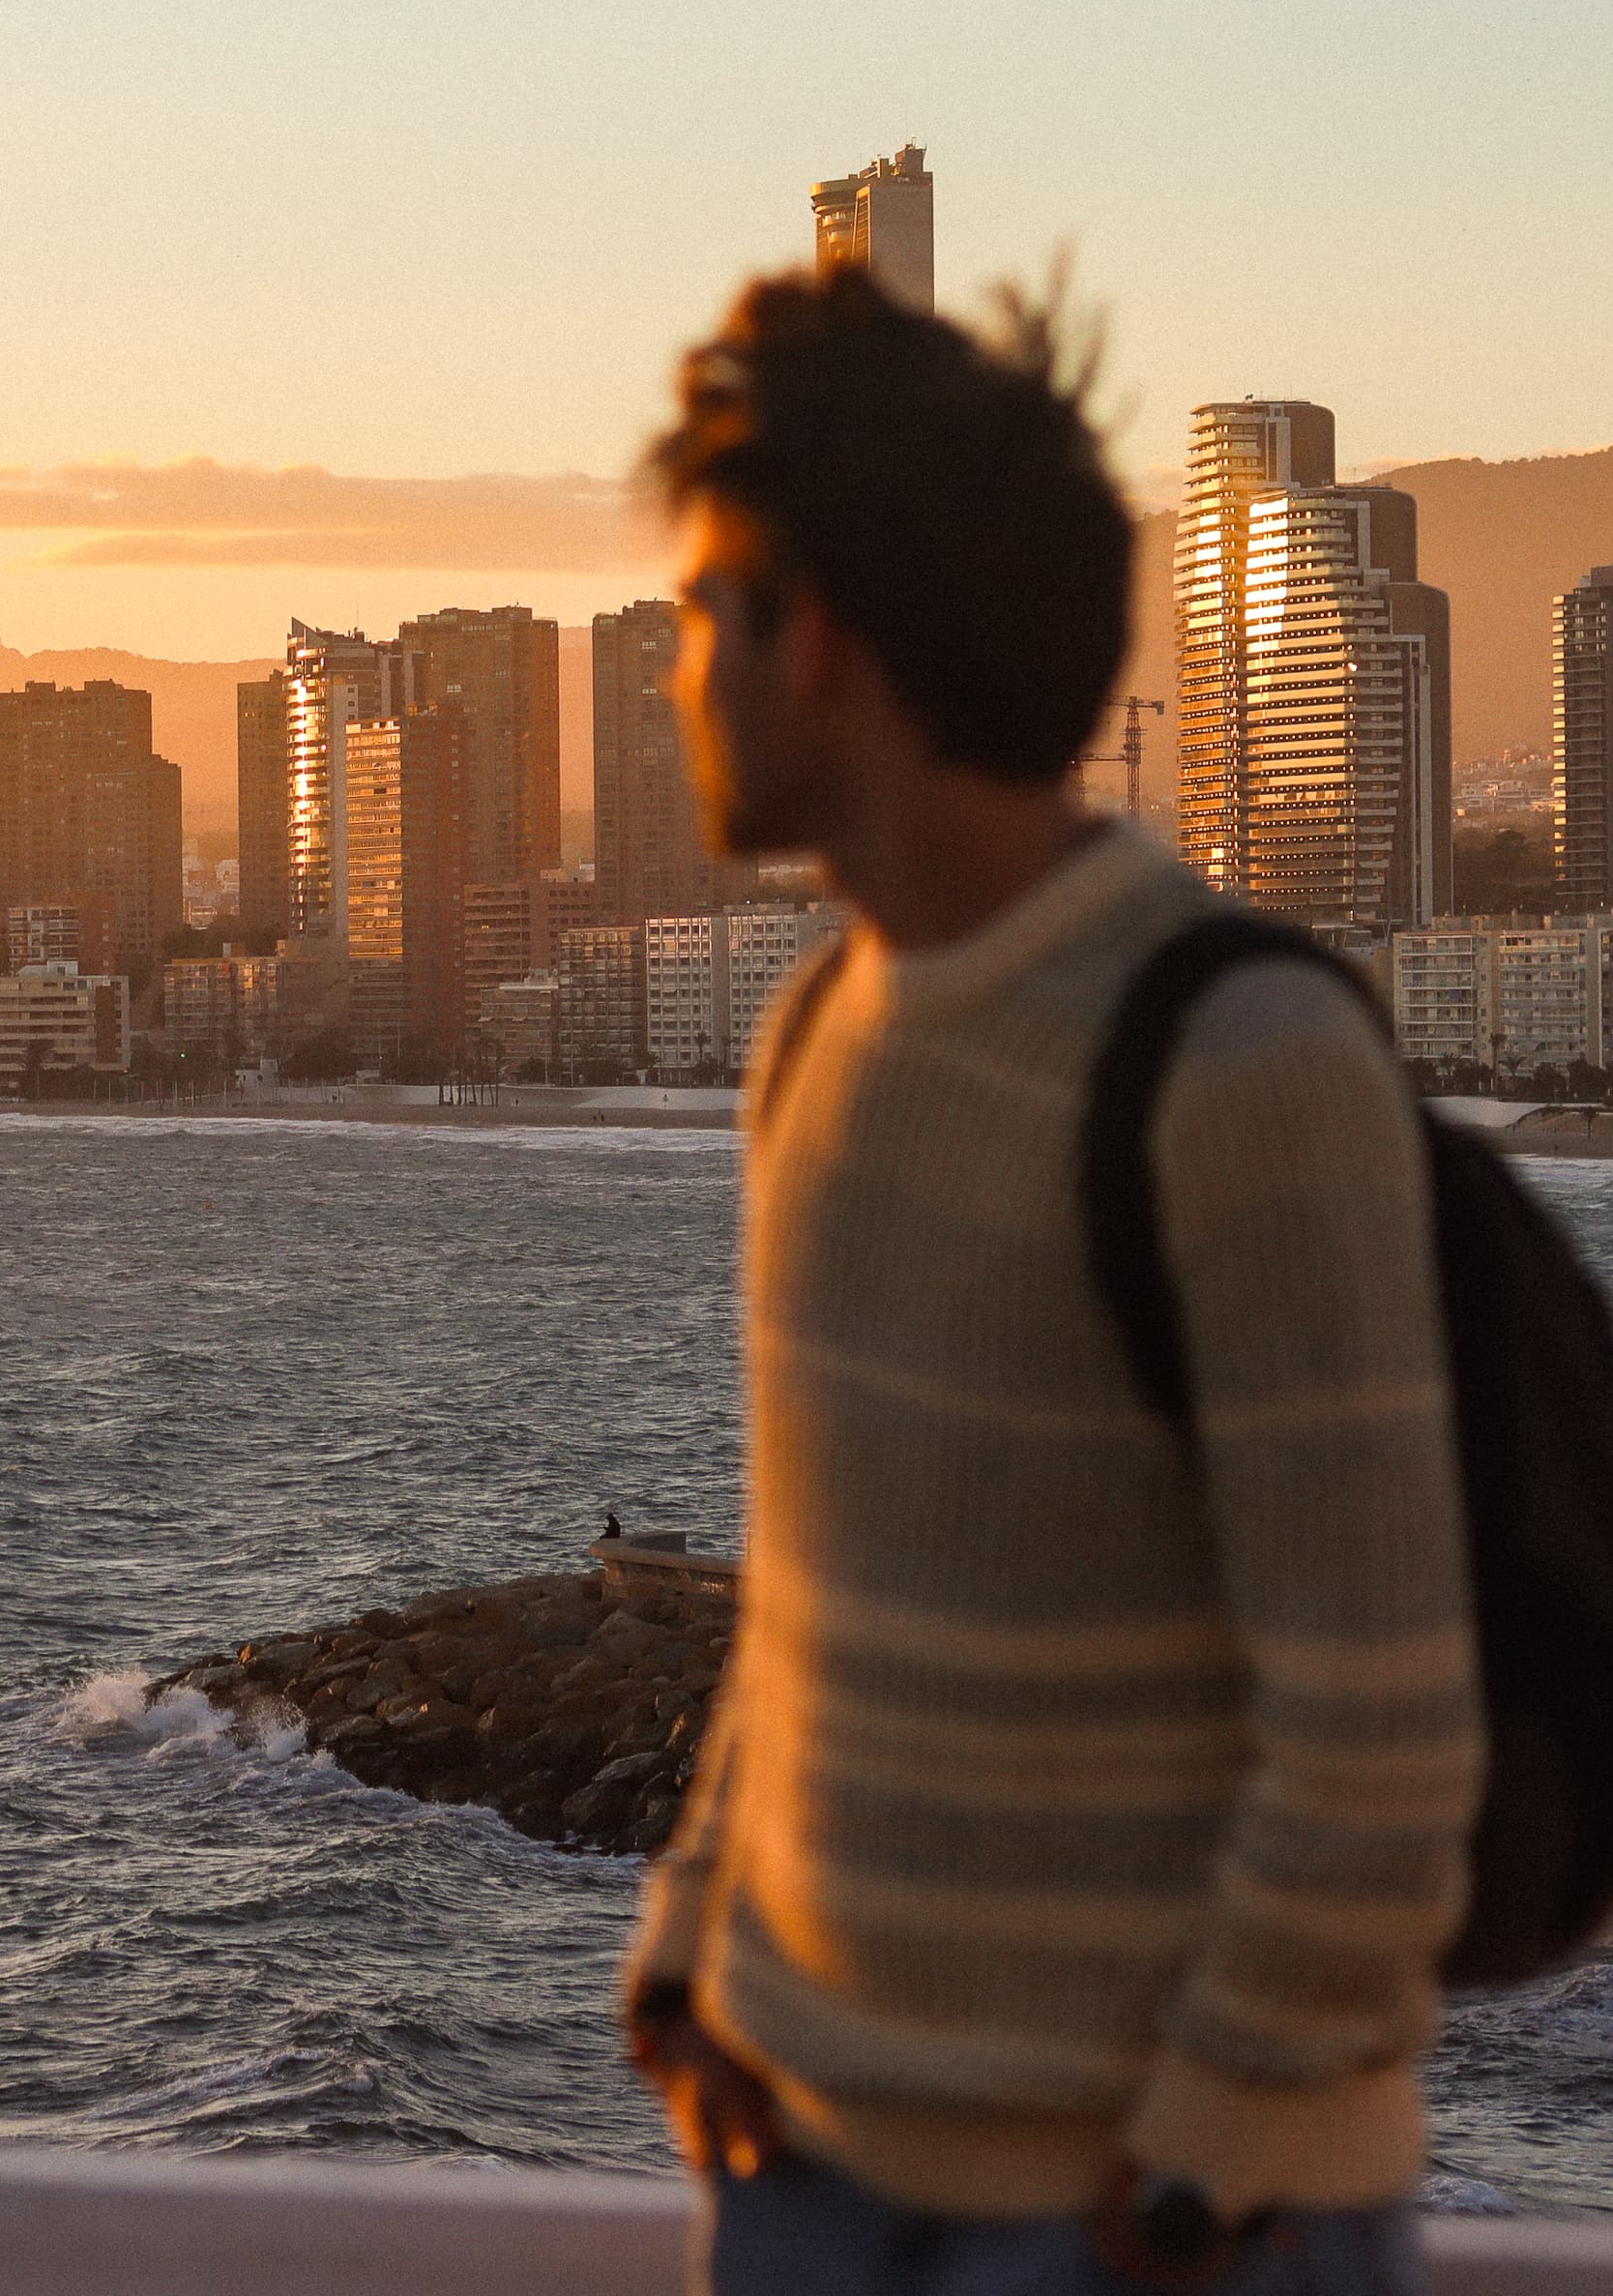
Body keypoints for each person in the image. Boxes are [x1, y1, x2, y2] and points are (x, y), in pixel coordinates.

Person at [621, 266, 1483, 2296]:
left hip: (1145, 2223)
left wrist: (1201, 2152)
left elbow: (1381, 1725)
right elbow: (829, 1602)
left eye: (695, 609)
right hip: (811, 2169)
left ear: (812, 641)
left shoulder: (1242, 1060)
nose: (670, 670)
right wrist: (694, 1945)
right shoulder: (820, 1029)